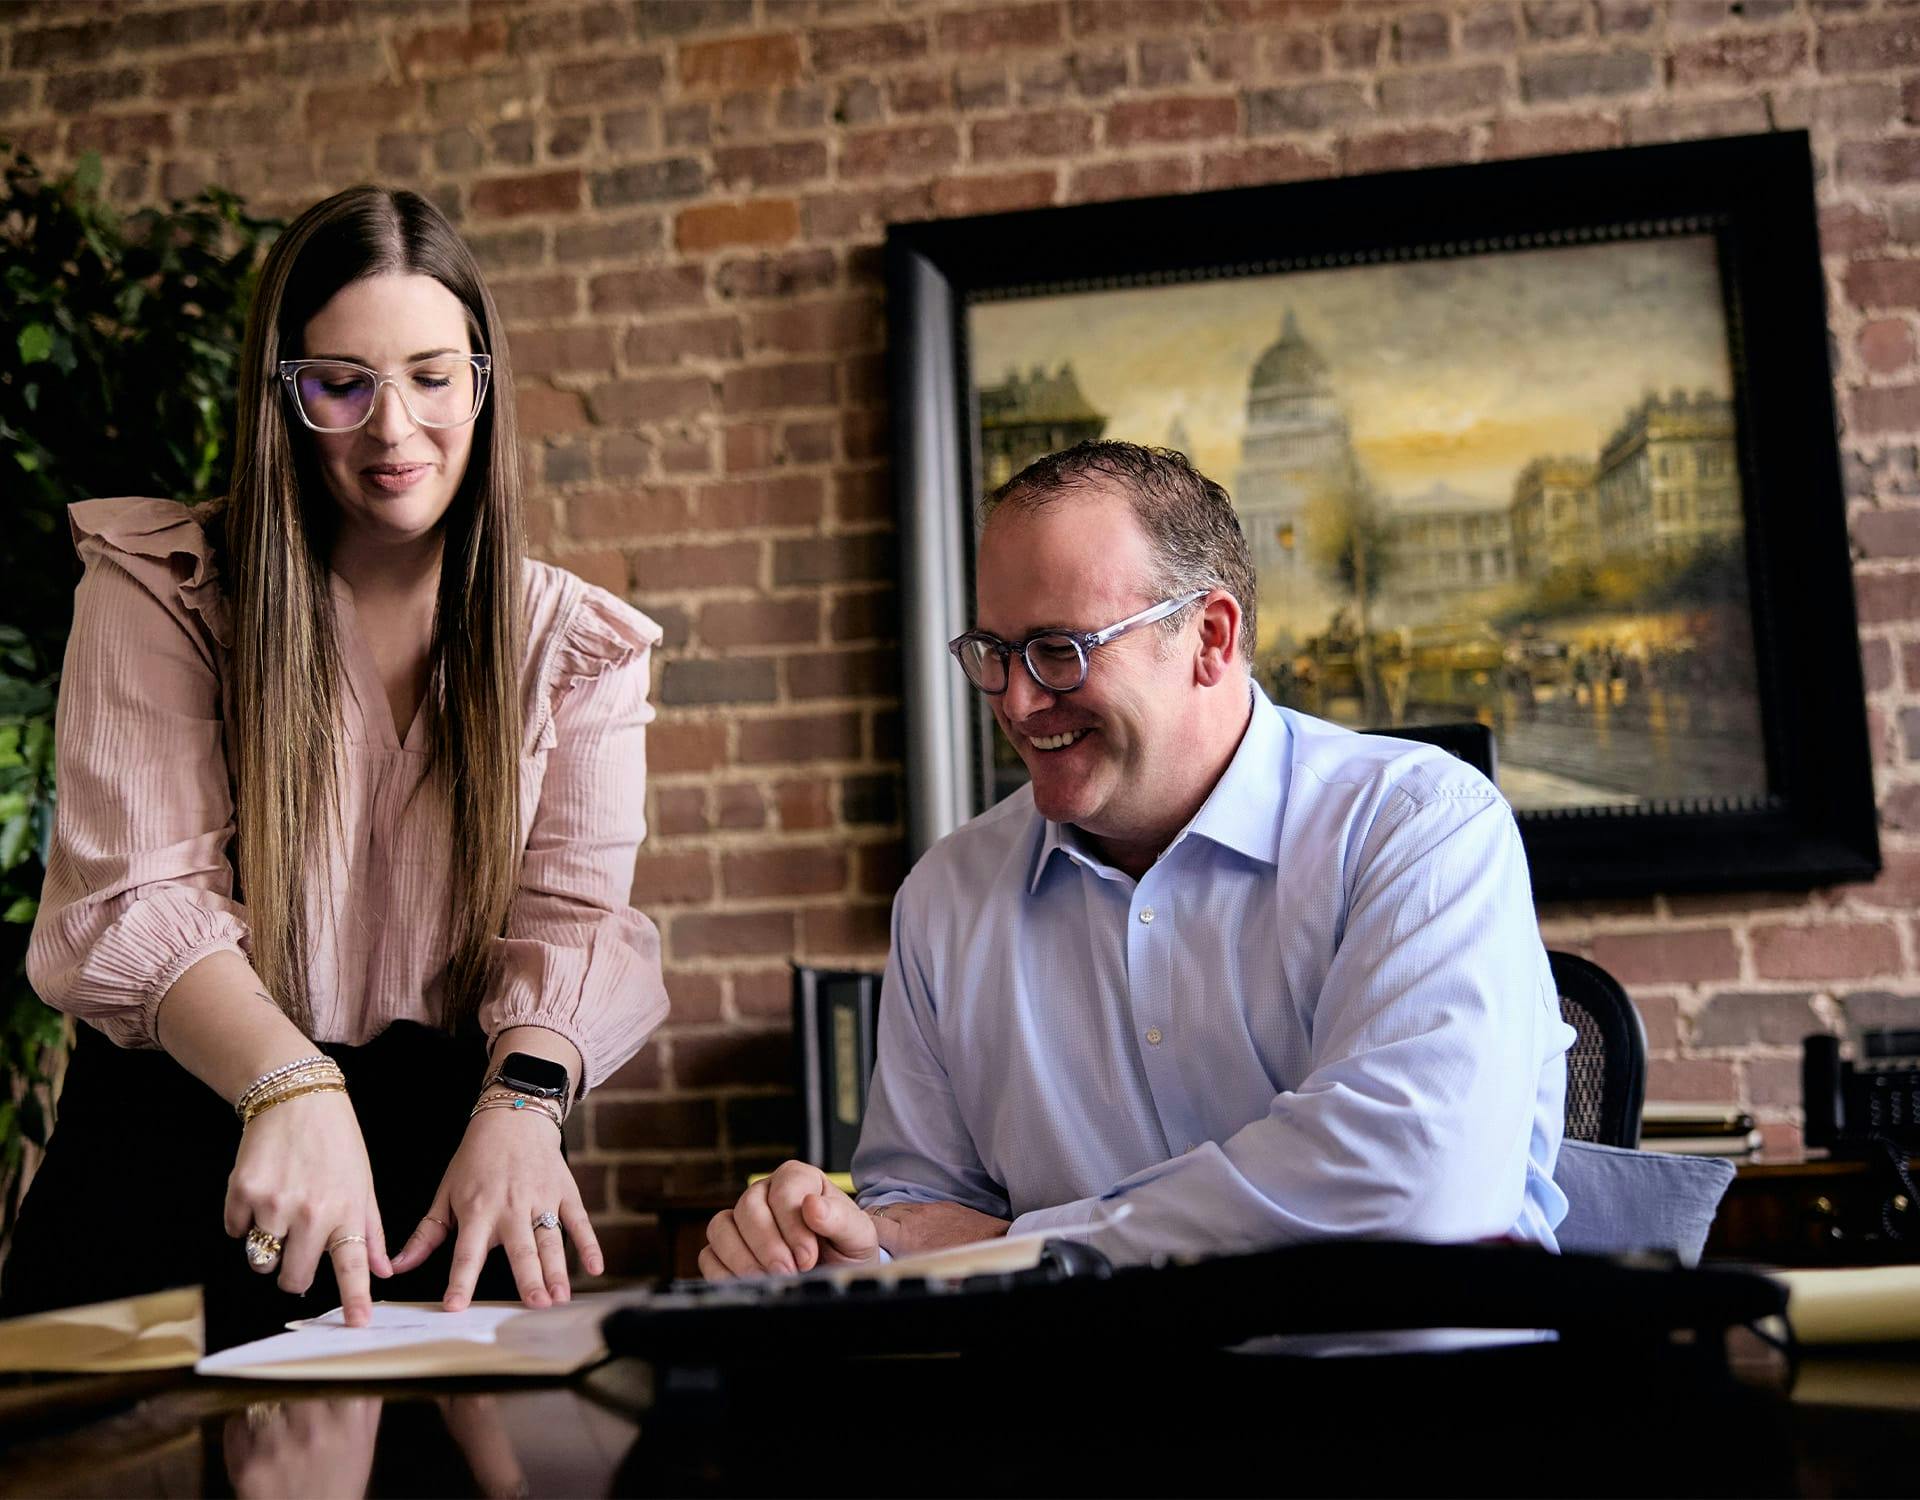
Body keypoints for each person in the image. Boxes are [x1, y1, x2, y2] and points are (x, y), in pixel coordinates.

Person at [0, 186, 670, 1335]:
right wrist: (294, 1081)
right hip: (178, 1160)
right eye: (341, 384)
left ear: (482, 383)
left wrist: (523, 1101)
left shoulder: (575, 647)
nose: (393, 428)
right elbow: (142, 895)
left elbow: (569, 919)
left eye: (430, 374)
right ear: (285, 396)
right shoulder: (163, 588)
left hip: (446, 1193)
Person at [701, 441, 1572, 1279]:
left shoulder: (1421, 828)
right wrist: (835, 1243)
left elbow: (1413, 1195)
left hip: (1410, 1411)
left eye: (1059, 650)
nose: (1018, 700)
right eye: (995, 654)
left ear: (1210, 638)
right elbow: (922, 1223)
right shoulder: (946, 896)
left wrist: (1032, 1247)